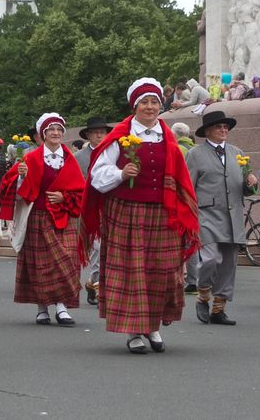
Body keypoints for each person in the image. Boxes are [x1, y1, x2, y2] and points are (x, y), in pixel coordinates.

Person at [84, 78, 200, 353]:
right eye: (144, 102)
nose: (150, 107)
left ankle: (153, 326)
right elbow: (97, 175)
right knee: (132, 273)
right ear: (134, 107)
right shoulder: (119, 136)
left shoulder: (167, 137)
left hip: (162, 213)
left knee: (162, 271)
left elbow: (179, 177)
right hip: (127, 211)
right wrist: (121, 174)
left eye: (154, 102)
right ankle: (134, 331)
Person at [11, 113, 85, 327]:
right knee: (41, 265)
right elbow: (16, 191)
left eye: (59, 129)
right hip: (38, 216)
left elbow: (80, 190)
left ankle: (62, 307)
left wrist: (64, 196)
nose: (55, 133)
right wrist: (22, 176)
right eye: (51, 129)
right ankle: (42, 308)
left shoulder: (70, 159)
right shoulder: (30, 158)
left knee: (67, 260)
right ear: (43, 134)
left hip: (64, 217)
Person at [185, 110, 257, 325]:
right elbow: (188, 186)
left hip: (232, 216)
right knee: (210, 258)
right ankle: (203, 295)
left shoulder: (237, 153)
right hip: (206, 215)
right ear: (208, 131)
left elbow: (244, 188)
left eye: (226, 127)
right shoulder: (195, 154)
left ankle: (218, 309)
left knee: (228, 263)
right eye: (219, 127)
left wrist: (250, 183)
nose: (224, 130)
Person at [74, 116, 112, 305]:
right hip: (89, 207)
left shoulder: (114, 152)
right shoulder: (79, 157)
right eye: (95, 132)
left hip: (111, 206)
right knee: (97, 247)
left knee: (109, 247)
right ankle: (98, 286)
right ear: (88, 135)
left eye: (102, 132)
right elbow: (75, 182)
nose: (99, 135)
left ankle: (92, 282)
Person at [171, 123, 198, 293]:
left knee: (177, 241)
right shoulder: (196, 150)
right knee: (193, 239)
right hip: (197, 201)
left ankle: (179, 278)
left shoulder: (176, 149)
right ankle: (195, 280)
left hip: (179, 200)